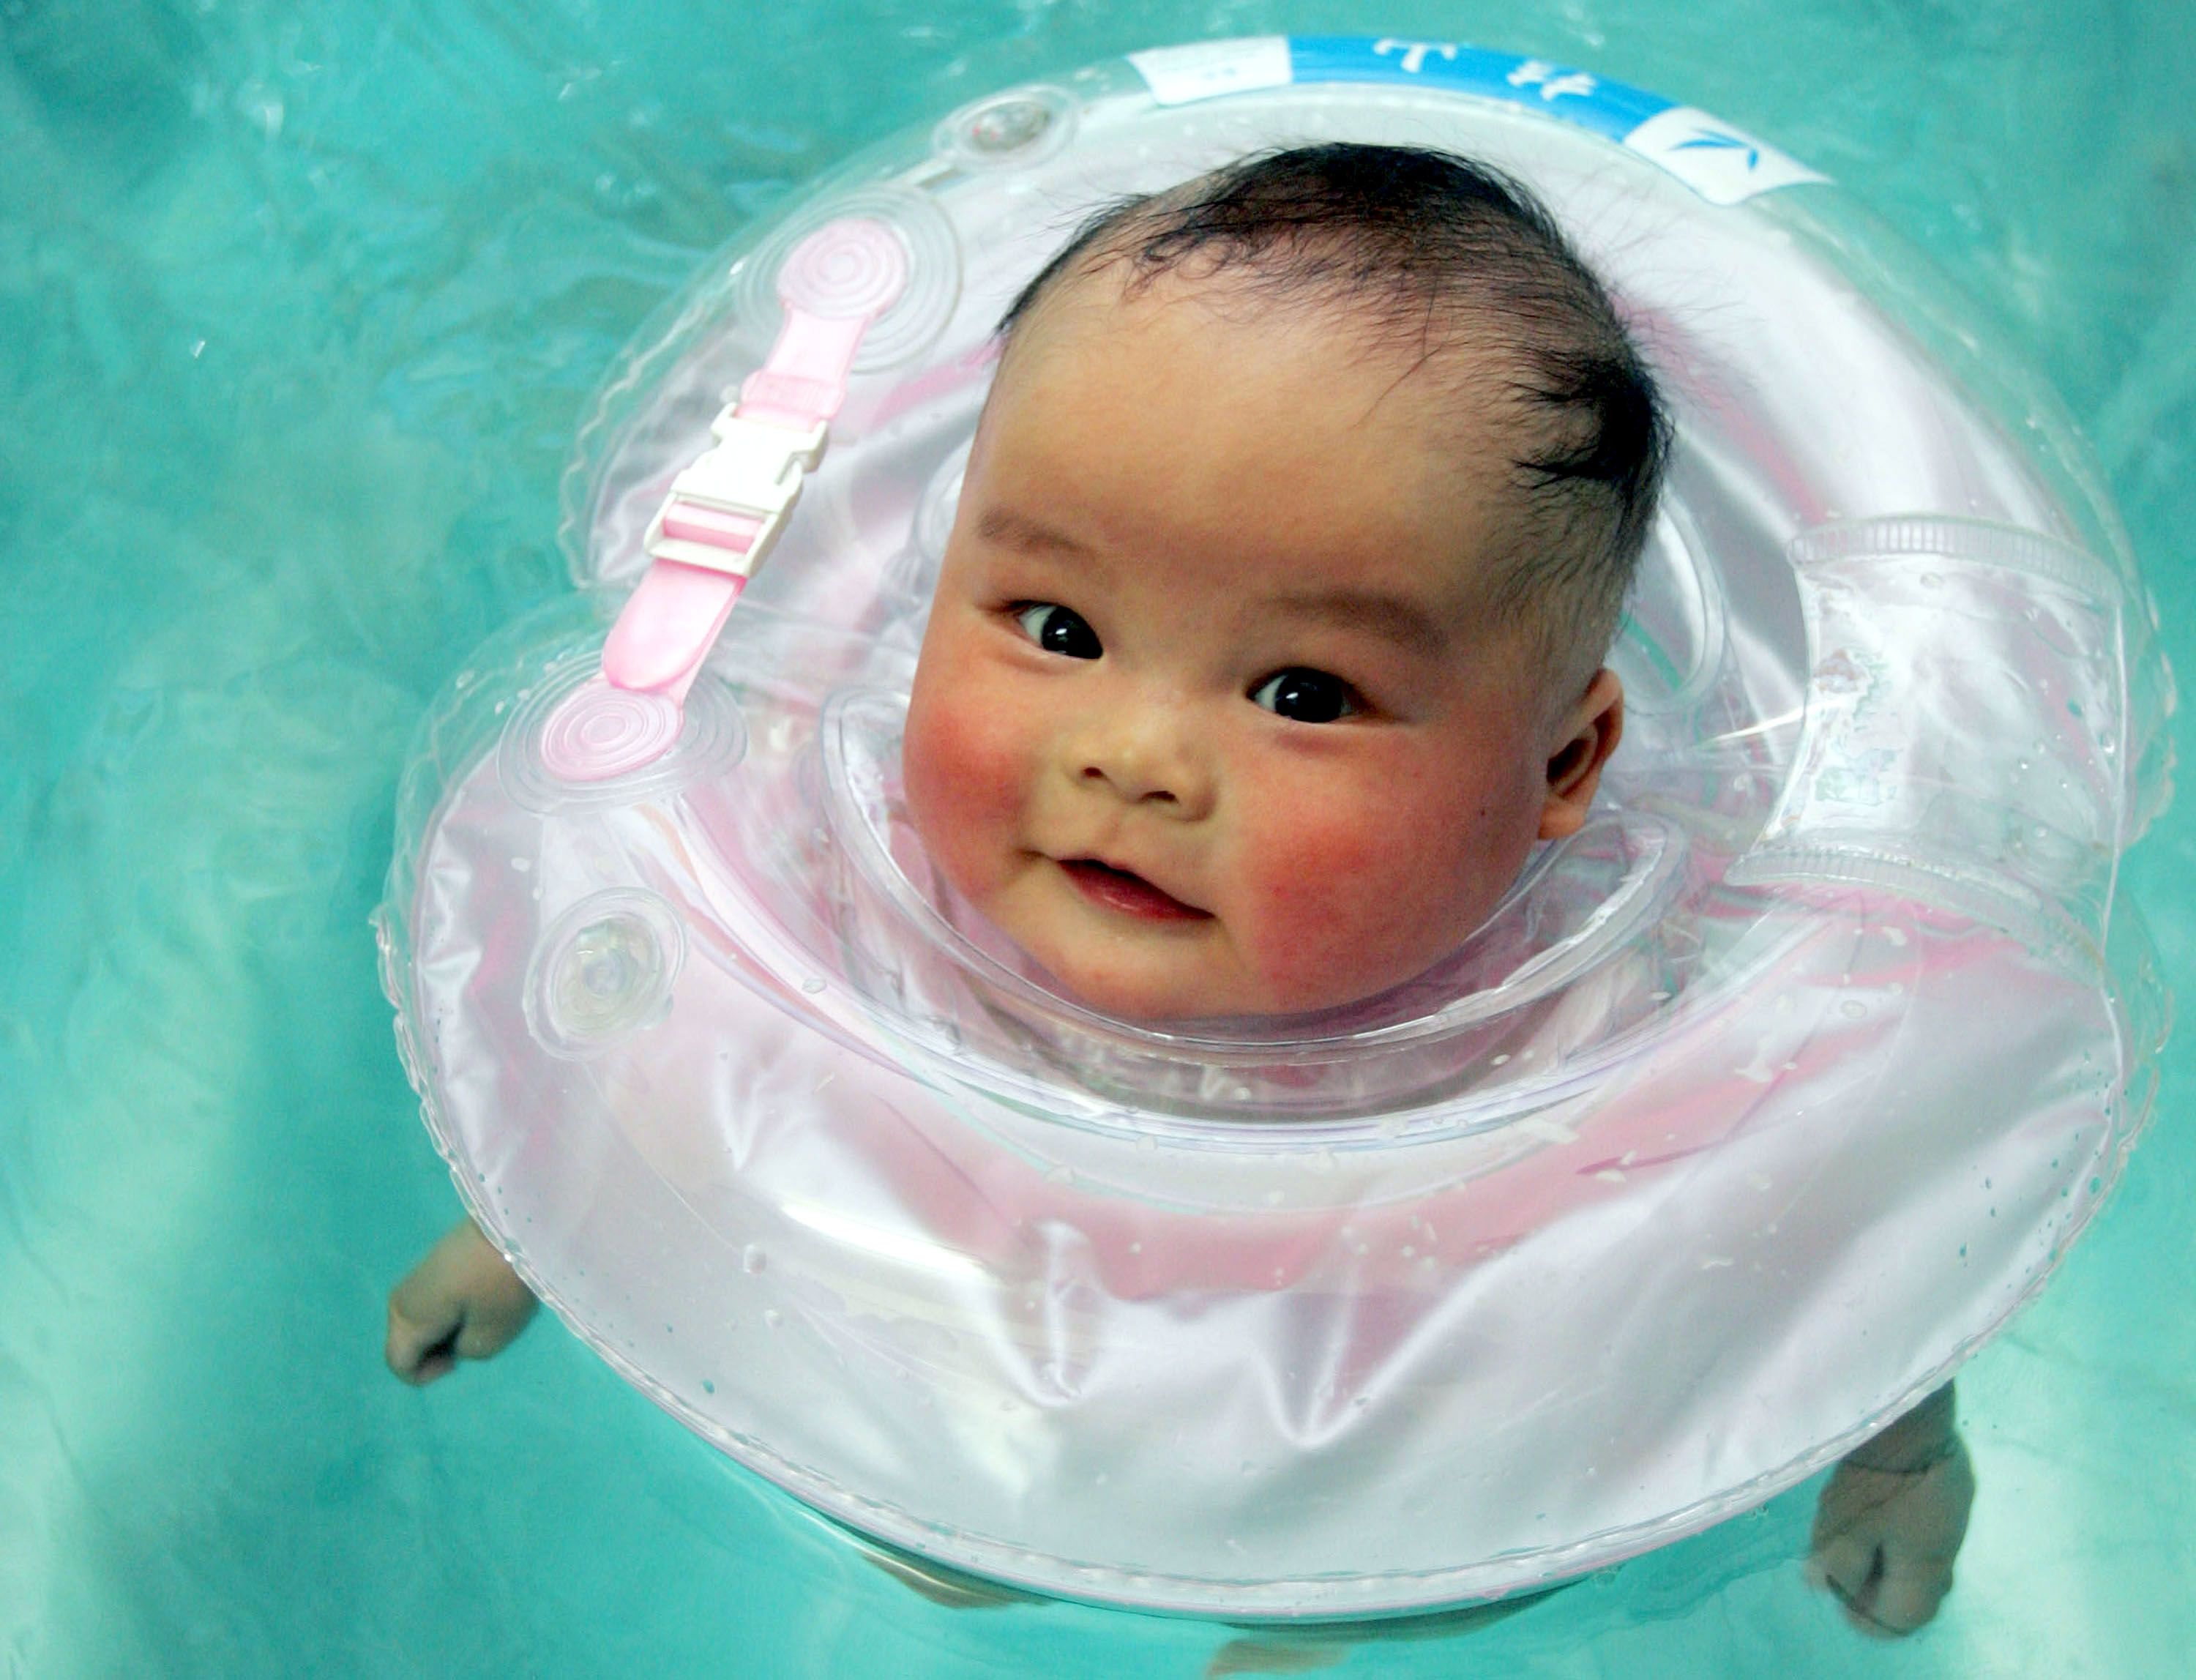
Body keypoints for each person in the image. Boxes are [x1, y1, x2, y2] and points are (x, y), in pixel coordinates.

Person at [386, 143, 1973, 1636]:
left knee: (1458, 1569)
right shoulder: (821, 845)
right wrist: (533, 1232)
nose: (1136, 756)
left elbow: (1821, 1235)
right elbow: (672, 1043)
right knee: (944, 1573)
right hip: (944, 1365)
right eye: (1059, 628)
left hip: (1329, 1467)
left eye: (1301, 691)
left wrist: (1896, 1443)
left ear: (1568, 767)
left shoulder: (1601, 1037)